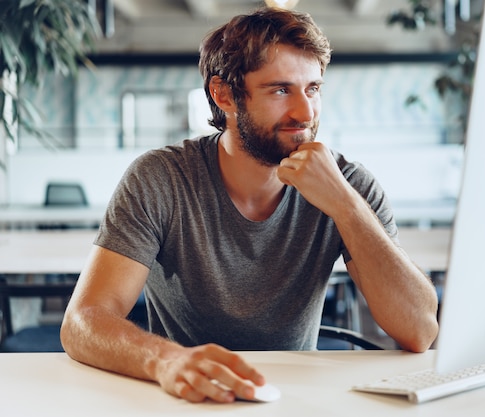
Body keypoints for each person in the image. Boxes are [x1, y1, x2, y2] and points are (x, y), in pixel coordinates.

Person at [60, 6, 439, 404]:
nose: (305, 113)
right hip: (184, 397)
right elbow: (83, 321)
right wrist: (166, 360)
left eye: (313, 88)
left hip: (297, 400)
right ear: (223, 94)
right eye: (280, 90)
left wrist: (345, 205)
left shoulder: (350, 185)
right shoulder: (161, 179)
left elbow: (419, 331)